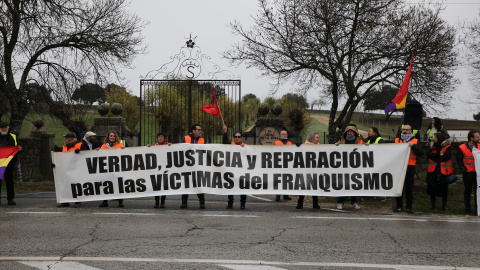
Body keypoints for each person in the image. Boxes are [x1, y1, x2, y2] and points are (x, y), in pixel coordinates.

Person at [393, 124, 423, 214]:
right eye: (403, 129)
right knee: (399, 188)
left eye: (407, 130)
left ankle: (409, 207)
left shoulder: (415, 141)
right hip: (399, 167)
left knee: (409, 188)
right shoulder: (397, 140)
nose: (405, 131)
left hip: (410, 167)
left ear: (411, 131)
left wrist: (413, 146)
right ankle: (399, 206)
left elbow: (420, 153)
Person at [335, 125, 363, 210]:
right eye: (348, 131)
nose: (349, 133)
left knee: (354, 185)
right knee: (343, 184)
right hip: (344, 167)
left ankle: (354, 202)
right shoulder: (342, 141)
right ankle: (340, 202)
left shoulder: (359, 141)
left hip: (355, 167)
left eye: (351, 131)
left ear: (354, 132)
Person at [180, 124, 206, 209]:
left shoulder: (202, 140)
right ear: (193, 131)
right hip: (187, 166)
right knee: (185, 184)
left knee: (198, 184)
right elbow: (179, 149)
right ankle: (184, 203)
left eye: (200, 130)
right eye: (198, 130)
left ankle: (202, 202)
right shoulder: (186, 138)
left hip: (197, 167)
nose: (200, 131)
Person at [98, 130, 125, 208]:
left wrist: (124, 149)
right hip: (107, 168)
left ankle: (120, 202)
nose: (112, 137)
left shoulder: (121, 144)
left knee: (119, 184)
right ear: (108, 137)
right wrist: (97, 151)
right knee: (106, 184)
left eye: (113, 136)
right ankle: (105, 201)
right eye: (111, 136)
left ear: (116, 137)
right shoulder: (103, 146)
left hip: (117, 167)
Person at [223, 124, 247, 209]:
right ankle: (230, 204)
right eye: (235, 137)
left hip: (242, 171)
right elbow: (224, 143)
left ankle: (243, 204)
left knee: (243, 188)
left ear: (241, 138)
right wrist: (225, 132)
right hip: (232, 170)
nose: (237, 138)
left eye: (239, 137)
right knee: (230, 187)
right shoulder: (230, 144)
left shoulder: (245, 146)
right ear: (234, 138)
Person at [426, 133, 452, 210]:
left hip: (443, 171)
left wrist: (436, 158)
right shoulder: (431, 146)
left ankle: (444, 205)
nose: (434, 138)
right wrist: (438, 155)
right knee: (432, 187)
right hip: (433, 170)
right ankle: (432, 204)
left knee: (444, 188)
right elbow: (428, 154)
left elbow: (445, 157)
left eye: (435, 137)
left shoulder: (447, 147)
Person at [457, 130, 480, 214]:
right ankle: (467, 209)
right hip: (468, 173)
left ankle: (478, 208)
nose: (479, 138)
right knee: (468, 191)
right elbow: (459, 160)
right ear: (471, 138)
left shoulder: (479, 146)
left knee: (478, 191)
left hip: (478, 173)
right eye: (477, 137)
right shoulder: (462, 147)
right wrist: (463, 169)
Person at [0, 121, 22, 206]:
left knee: (9, 181)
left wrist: (19, 149)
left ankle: (10, 199)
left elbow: (17, 147)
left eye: (5, 127)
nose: (4, 129)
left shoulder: (13, 136)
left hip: (10, 162)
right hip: (0, 163)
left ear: (8, 128)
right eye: (2, 127)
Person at [297, 132, 320, 210]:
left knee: (315, 186)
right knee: (304, 186)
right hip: (305, 169)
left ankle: (315, 203)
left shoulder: (320, 146)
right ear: (312, 138)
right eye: (317, 137)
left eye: (318, 137)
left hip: (315, 169)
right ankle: (300, 202)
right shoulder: (305, 145)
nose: (318, 139)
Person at [147, 132, 171, 208]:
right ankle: (157, 202)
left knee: (164, 185)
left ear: (164, 138)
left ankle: (163, 202)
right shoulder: (154, 146)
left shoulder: (168, 145)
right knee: (156, 186)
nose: (160, 138)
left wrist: (171, 146)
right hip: (156, 168)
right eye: (159, 137)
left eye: (161, 136)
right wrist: (148, 147)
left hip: (165, 168)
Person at [59, 132, 82, 207]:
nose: (65, 139)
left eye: (66, 137)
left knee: (76, 184)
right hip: (66, 168)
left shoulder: (80, 145)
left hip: (77, 168)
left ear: (72, 139)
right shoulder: (65, 146)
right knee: (66, 184)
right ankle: (65, 201)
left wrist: (80, 152)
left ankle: (77, 200)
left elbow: (86, 154)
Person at [274, 130, 292, 201]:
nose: (284, 135)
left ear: (287, 135)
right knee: (279, 180)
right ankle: (278, 195)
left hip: (287, 164)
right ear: (280, 135)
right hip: (279, 164)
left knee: (286, 180)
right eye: (282, 134)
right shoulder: (276, 143)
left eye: (285, 134)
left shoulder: (290, 143)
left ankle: (285, 194)